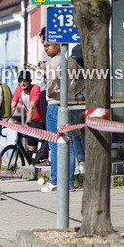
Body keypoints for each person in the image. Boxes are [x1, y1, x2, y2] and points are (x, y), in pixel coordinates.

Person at [40, 35, 84, 192]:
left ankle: (56, 181)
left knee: (54, 143)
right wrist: (72, 91)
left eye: (48, 46)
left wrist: (49, 92)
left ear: (58, 45)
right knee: (68, 144)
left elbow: (51, 80)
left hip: (56, 105)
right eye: (44, 46)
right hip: (70, 104)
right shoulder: (71, 60)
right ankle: (70, 182)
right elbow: (84, 77)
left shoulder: (55, 61)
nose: (46, 49)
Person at [9, 70, 44, 159]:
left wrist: (27, 123)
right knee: (31, 150)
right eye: (20, 81)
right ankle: (32, 166)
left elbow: (32, 107)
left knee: (45, 149)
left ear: (30, 81)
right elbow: (13, 107)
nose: (23, 83)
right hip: (32, 120)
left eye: (25, 80)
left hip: (42, 121)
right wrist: (4, 121)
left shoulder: (35, 88)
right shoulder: (18, 90)